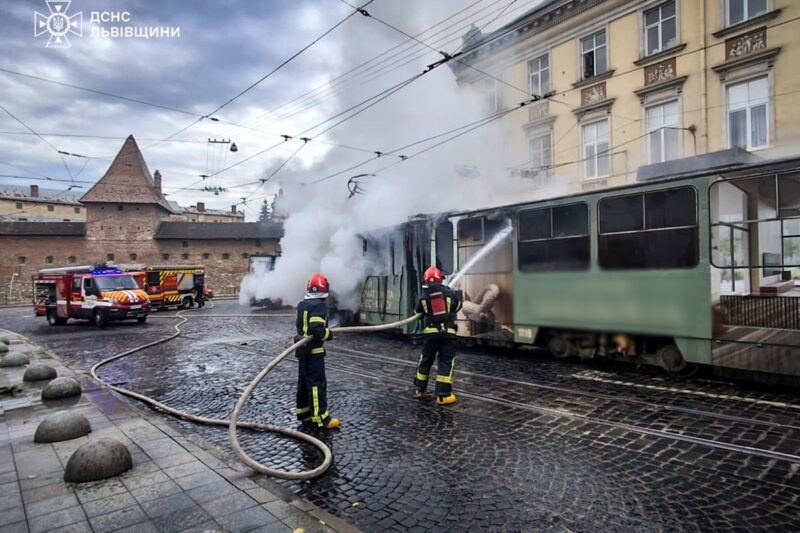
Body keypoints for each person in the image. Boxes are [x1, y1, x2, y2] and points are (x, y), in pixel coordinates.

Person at [294, 273, 340, 429]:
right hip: (314, 352)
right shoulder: (318, 306)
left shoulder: (302, 304)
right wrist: (329, 334)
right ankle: (321, 418)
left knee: (303, 382)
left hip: (302, 351)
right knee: (316, 385)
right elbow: (316, 329)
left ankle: (304, 414)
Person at [414, 266, 462, 405]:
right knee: (446, 362)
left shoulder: (424, 296)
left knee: (426, 360)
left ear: (426, 280)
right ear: (441, 279)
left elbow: (417, 311)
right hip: (448, 334)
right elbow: (458, 306)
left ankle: (420, 390)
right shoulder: (449, 293)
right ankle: (443, 396)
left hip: (430, 335)